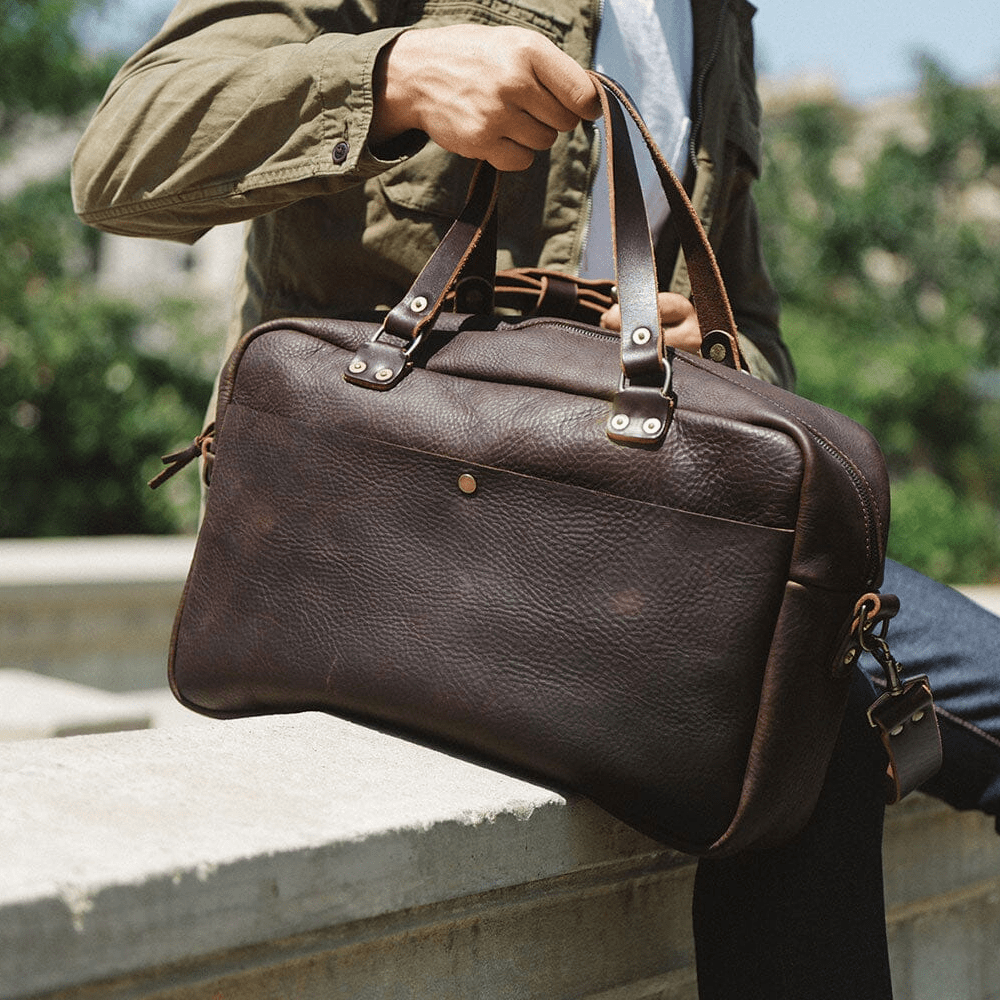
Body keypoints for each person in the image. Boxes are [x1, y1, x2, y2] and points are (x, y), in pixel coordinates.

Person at [71, 1, 1000, 996]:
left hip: (627, 529)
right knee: (817, 716)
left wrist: (713, 356)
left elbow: (755, 322)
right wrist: (394, 79)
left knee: (846, 694)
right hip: (379, 514)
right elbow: (123, 152)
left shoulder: (717, 16)